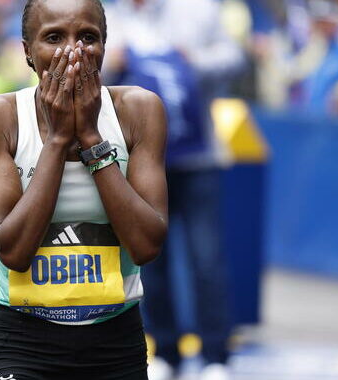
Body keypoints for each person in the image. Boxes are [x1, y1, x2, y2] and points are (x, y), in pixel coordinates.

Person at [0, 0, 168, 378]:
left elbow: (146, 245)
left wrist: (90, 136)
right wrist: (58, 140)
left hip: (114, 343)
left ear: (105, 46)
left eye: (88, 37)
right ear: (27, 51)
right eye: (54, 37)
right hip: (21, 341)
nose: (73, 52)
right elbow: (14, 250)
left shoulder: (139, 110)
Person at [104, 1, 243, 379]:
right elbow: (90, 78)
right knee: (150, 261)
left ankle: (216, 357)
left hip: (198, 160)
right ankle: (165, 349)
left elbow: (235, 57)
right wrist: (112, 63)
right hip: (141, 164)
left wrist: (192, 60)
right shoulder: (109, 18)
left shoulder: (198, 10)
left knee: (207, 260)